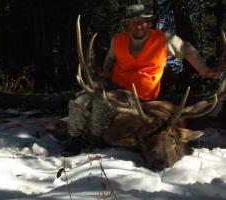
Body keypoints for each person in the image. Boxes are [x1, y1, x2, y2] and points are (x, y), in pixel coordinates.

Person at [64, 3, 220, 155]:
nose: (138, 25)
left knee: (101, 101)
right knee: (81, 100)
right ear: (127, 25)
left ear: (149, 22)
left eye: (142, 21)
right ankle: (73, 138)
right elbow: (110, 61)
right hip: (114, 84)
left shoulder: (164, 40)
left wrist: (204, 70)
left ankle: (94, 139)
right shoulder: (118, 40)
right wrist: (104, 71)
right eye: (133, 22)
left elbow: (187, 50)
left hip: (138, 96)